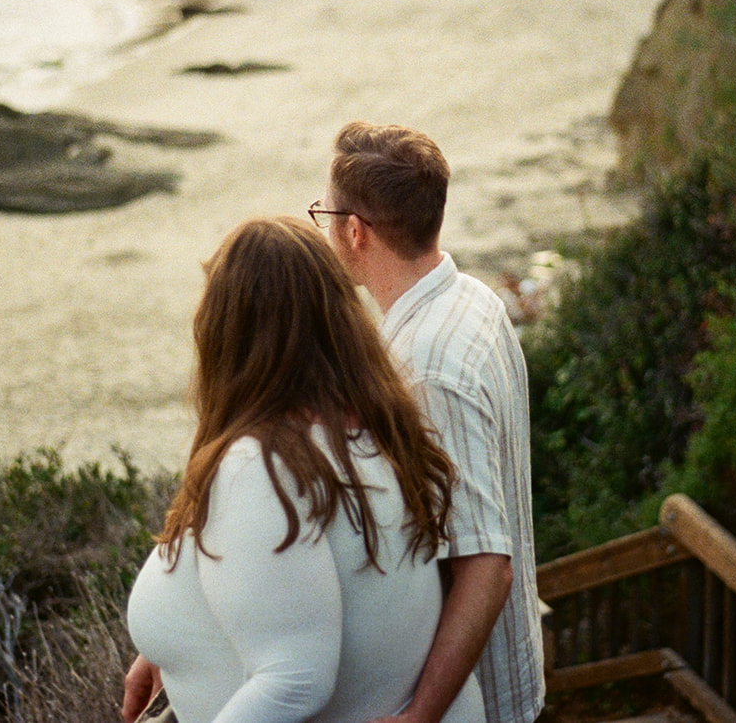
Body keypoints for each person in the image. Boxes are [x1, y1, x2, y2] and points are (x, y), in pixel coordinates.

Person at [122, 217, 486, 723]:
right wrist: (169, 643)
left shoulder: (262, 464)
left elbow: (296, 677)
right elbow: (291, 581)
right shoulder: (374, 427)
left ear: (226, 330)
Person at [314, 122, 544, 723]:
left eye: (326, 214)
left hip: (473, 703)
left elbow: (485, 564)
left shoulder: (427, 369)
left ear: (355, 232)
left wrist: (420, 714)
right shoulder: (473, 299)